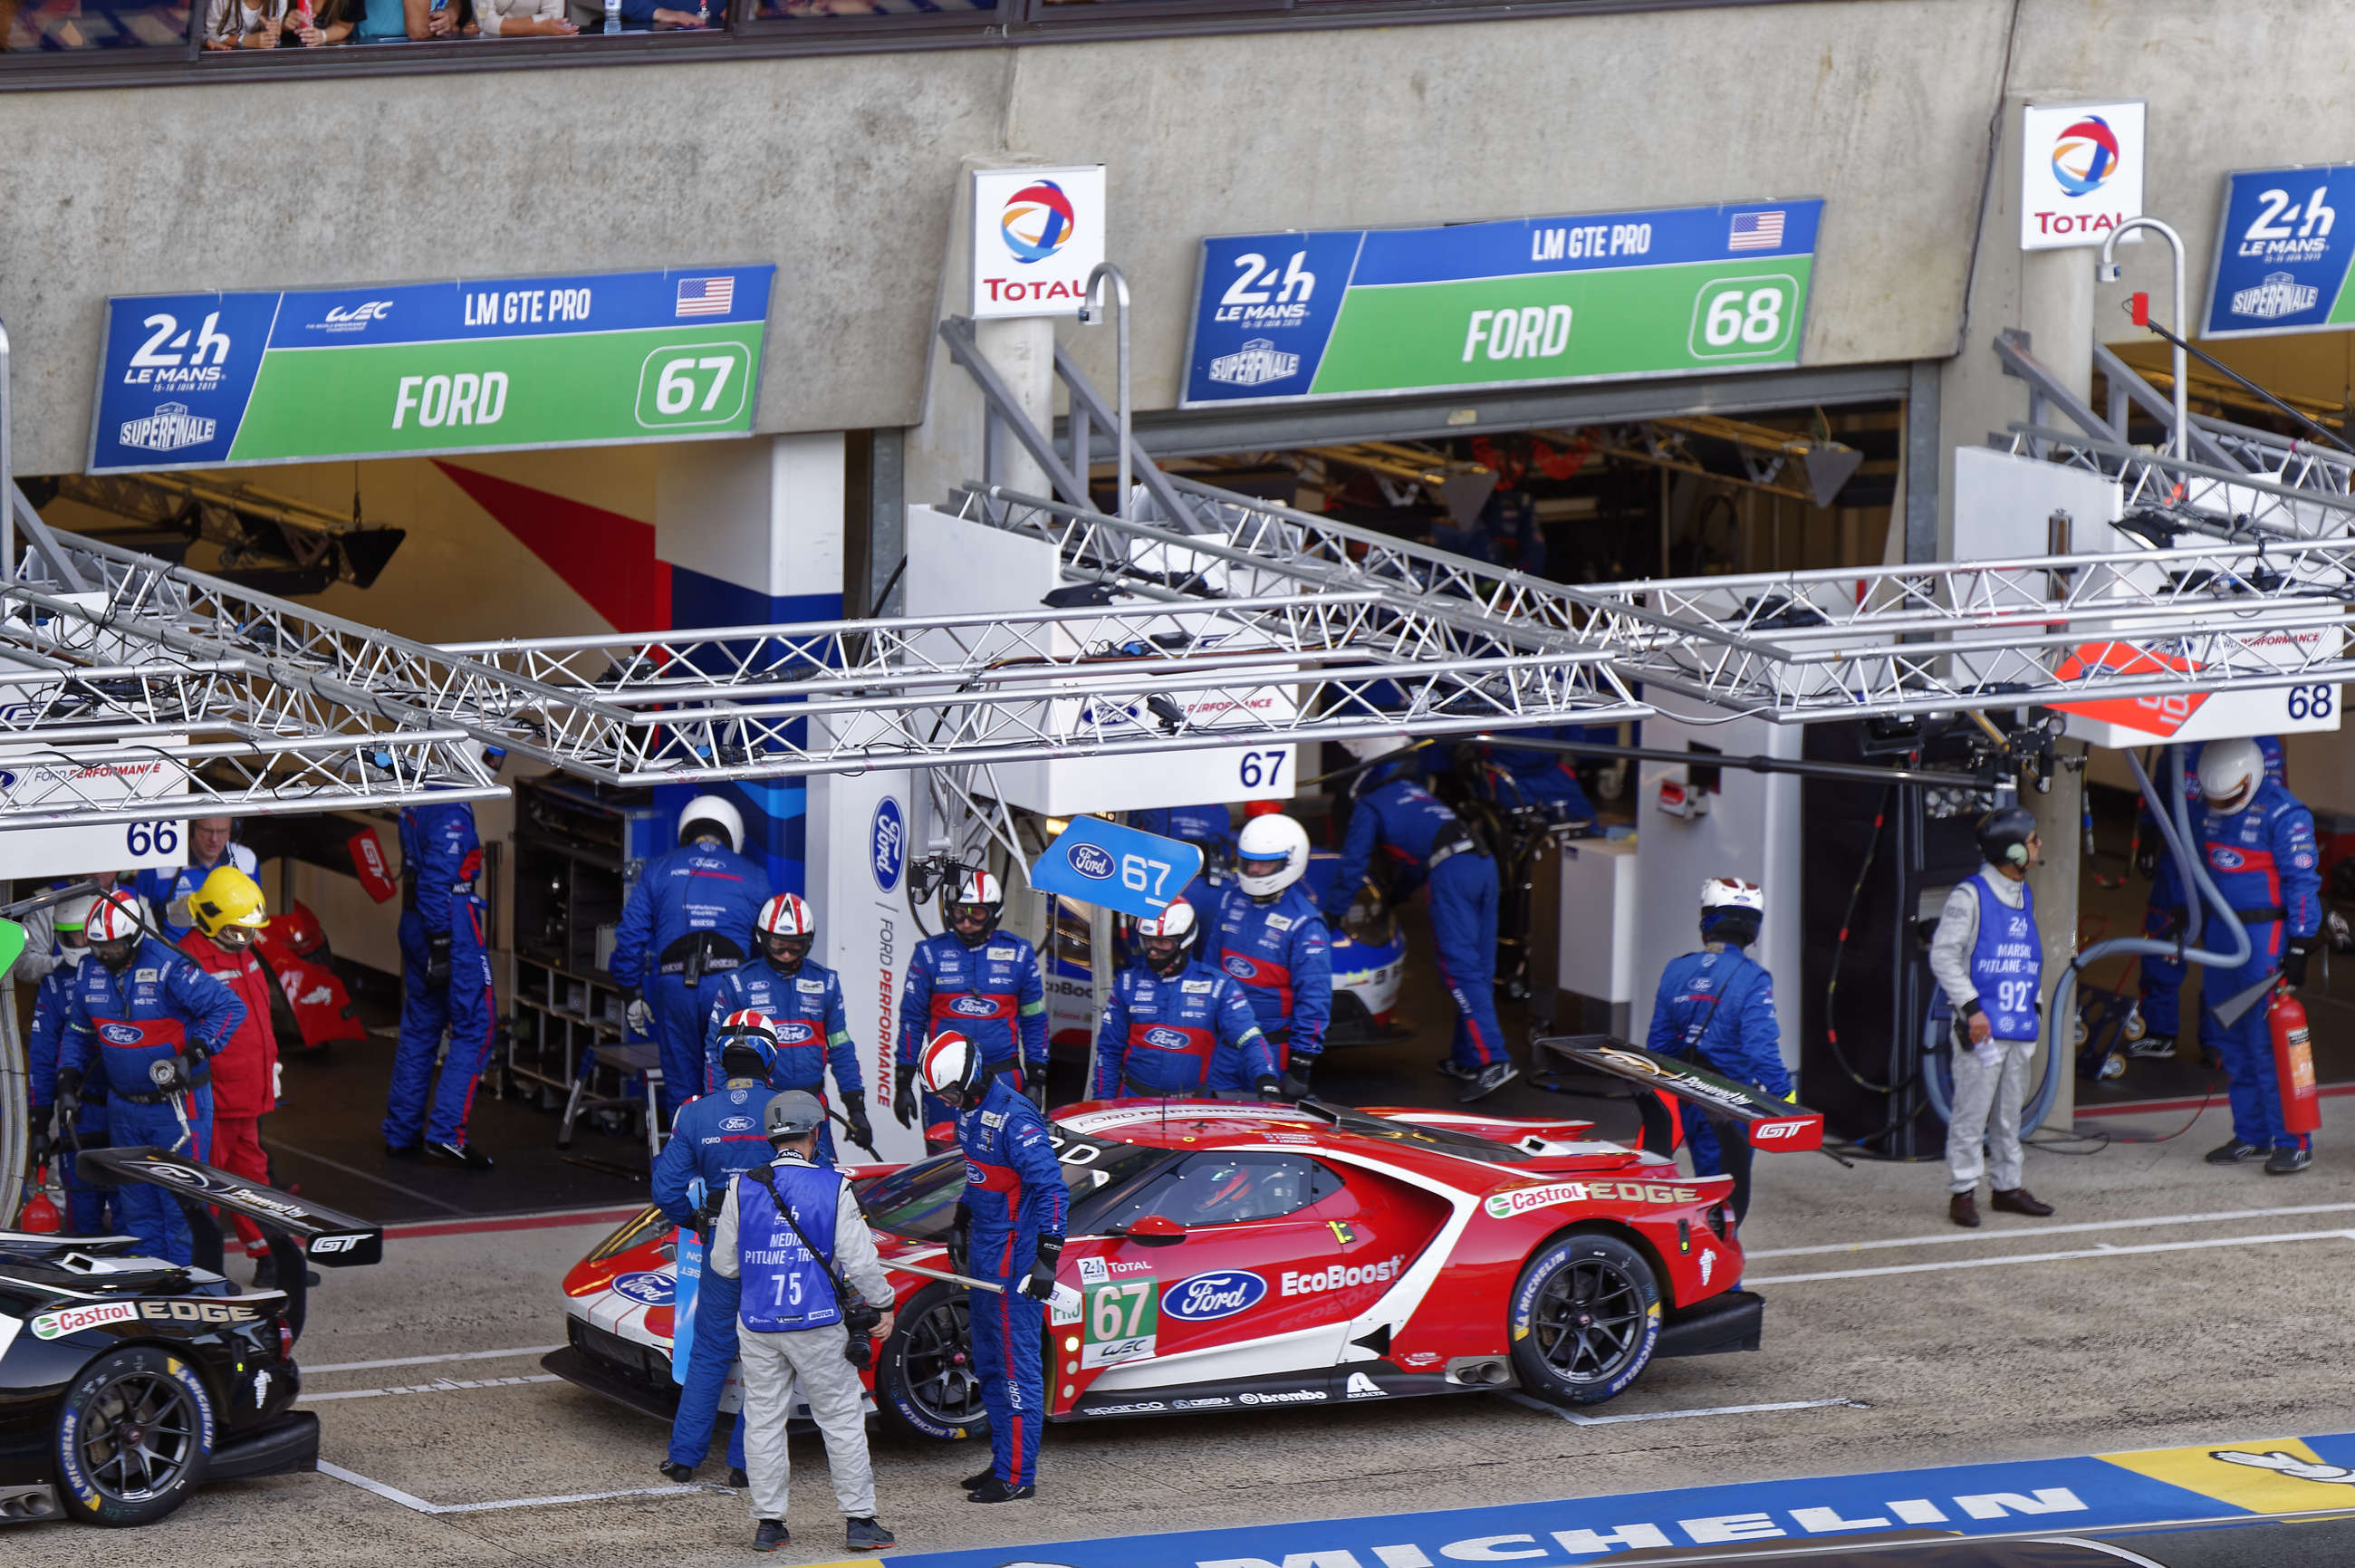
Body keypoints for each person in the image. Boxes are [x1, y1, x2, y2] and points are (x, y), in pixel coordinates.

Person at [708, 1089, 898, 1554]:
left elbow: (724, 1265)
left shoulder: (741, 1186)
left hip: (758, 1323)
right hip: (817, 1323)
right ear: (815, 1134)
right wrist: (884, 1304)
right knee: (841, 1421)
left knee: (764, 1422)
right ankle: (859, 1522)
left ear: (772, 1137)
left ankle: (769, 1525)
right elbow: (862, 1263)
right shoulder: (833, 1186)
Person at [1322, 735, 1514, 1101]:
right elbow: (1419, 856)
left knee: (1460, 969)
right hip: (1482, 862)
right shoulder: (1416, 794)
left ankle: (1495, 1061)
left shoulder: (1372, 803)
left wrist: (1334, 913)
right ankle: (1469, 1058)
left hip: (1452, 873)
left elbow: (1352, 866)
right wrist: (1397, 896)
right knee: (1480, 968)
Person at [55, 891, 245, 1264]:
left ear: (134, 939)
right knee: (137, 1209)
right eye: (97, 946)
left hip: (176, 1109)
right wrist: (66, 1083)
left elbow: (229, 1007)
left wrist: (192, 1057)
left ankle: (193, 1298)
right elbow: (78, 1033)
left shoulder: (170, 967)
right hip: (123, 1107)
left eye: (112, 945)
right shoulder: (88, 971)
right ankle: (152, 1297)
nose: (102, 954)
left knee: (181, 1210)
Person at [922, 1030, 1065, 1504]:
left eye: (949, 1091)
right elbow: (981, 1176)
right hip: (985, 1248)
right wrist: (962, 1215)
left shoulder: (1016, 1119)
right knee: (987, 1360)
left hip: (1016, 1257)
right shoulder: (968, 1114)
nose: (945, 1100)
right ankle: (1003, 1462)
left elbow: (1051, 1190)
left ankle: (1018, 1475)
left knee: (1015, 1365)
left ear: (971, 1076)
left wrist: (1047, 1258)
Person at [655, 1017, 787, 1489]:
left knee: (711, 1349)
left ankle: (683, 1459)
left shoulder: (694, 1113)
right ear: (770, 1057)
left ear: (722, 1057)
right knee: (767, 1355)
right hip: (774, 1244)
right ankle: (745, 1466)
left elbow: (666, 1188)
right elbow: (822, 1182)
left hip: (719, 1239)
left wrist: (693, 1221)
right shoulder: (790, 1108)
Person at [2192, 737, 2321, 1175]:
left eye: (2229, 795)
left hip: (2265, 938)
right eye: (2215, 797)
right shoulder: (2209, 808)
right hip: (2221, 937)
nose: (2220, 803)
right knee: (2231, 1041)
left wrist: (2301, 943)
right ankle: (2252, 1135)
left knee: (2268, 1045)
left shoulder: (2287, 814)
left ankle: (2294, 1141)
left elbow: (2303, 882)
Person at [1928, 807, 2058, 1228]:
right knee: (1972, 1110)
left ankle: (2007, 1186)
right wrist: (1971, 1008)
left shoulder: (2024, 893)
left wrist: (2034, 1004)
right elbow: (1944, 955)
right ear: (2015, 850)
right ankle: (1963, 1190)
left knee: (2009, 1113)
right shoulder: (1971, 895)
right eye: (2034, 839)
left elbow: (2027, 960)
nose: (2039, 845)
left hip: (2018, 1023)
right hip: (1982, 1027)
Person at [610, 794, 773, 1121]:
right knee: (730, 1083)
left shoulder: (658, 869)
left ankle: (684, 1168)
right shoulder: (753, 875)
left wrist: (631, 993)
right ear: (732, 832)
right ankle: (726, 1166)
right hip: (729, 987)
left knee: (683, 1091)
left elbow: (630, 937)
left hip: (675, 986)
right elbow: (769, 944)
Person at [1642, 878, 1791, 1225]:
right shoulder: (1753, 978)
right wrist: (1786, 1096)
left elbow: (1659, 1047)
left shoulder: (1676, 969)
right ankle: (1724, 1279)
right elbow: (1761, 1050)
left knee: (1706, 1183)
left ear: (1707, 920)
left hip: (1686, 1096)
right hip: (1731, 1103)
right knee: (1726, 1202)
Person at [2136, 736, 2285, 1063]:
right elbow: (2161, 783)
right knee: (2163, 939)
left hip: (2230, 864)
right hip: (2178, 857)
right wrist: (2148, 831)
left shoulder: (2263, 740)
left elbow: (2272, 803)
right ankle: (2159, 1032)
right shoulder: (2182, 728)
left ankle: (2218, 1039)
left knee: (2227, 956)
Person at [384, 765, 502, 1168]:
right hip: (449, 921)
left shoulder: (419, 792)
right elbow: (439, 884)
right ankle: (447, 1134)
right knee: (477, 1024)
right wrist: (442, 946)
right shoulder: (451, 807)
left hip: (415, 919)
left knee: (421, 1025)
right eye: (491, 757)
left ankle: (401, 1132)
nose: (493, 766)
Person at [701, 894, 870, 1164]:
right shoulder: (737, 984)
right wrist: (717, 1107)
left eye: (796, 946)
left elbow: (841, 1048)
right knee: (758, 1186)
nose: (787, 954)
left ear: (809, 942)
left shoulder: (826, 983)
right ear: (763, 939)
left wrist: (856, 1108)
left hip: (811, 1105)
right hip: (758, 1107)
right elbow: (714, 1052)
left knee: (825, 1182)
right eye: (779, 945)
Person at [178, 866, 287, 1284]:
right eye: (238, 929)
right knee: (207, 1187)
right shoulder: (189, 962)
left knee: (253, 1182)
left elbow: (260, 1019)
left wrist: (271, 1065)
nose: (247, 937)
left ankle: (268, 1256)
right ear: (212, 921)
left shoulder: (243, 953)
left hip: (248, 1095)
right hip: (215, 1101)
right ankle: (200, 1268)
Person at [893, 871, 1045, 1143]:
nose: (965, 922)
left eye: (976, 914)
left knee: (1004, 1157)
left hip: (1003, 1077)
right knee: (944, 1163)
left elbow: (1035, 1020)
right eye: (959, 912)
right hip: (943, 1081)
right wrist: (903, 1080)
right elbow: (911, 1021)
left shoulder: (1020, 953)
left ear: (995, 913)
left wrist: (1037, 1078)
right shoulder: (929, 953)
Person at [1093, 899, 1279, 1100]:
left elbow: (1249, 1036)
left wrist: (1266, 1078)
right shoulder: (1127, 983)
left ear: (1185, 942)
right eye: (1148, 941)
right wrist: (1102, 1101)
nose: (1153, 951)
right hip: (1133, 1101)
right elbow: (1108, 1050)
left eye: (1163, 943)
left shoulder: (1218, 986)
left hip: (1191, 1107)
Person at [1213, 813, 1331, 1093]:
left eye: (1264, 864)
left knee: (1263, 1129)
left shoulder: (1306, 924)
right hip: (1224, 1047)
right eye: (1248, 862)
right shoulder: (1230, 899)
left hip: (1273, 1049)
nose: (1253, 870)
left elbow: (1314, 997)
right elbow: (1211, 969)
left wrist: (1301, 1064)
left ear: (1290, 862)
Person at [26, 894, 112, 1237]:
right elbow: (43, 1060)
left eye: (84, 935)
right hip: (78, 1112)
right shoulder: (53, 984)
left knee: (135, 1207)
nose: (79, 944)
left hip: (128, 1107)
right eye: (71, 936)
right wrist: (39, 1123)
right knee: (83, 1212)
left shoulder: (128, 974)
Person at [133, 816, 258, 942]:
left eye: (222, 831)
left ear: (232, 831)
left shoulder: (246, 861)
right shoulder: (160, 866)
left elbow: (255, 916)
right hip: (177, 956)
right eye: (206, 830)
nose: (214, 839)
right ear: (191, 828)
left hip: (228, 954)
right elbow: (140, 917)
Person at [201, 0, 284, 46]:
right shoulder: (221, 2)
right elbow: (211, 34)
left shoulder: (278, 2)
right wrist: (243, 40)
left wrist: (273, 35)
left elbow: (277, 39)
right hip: (227, 59)